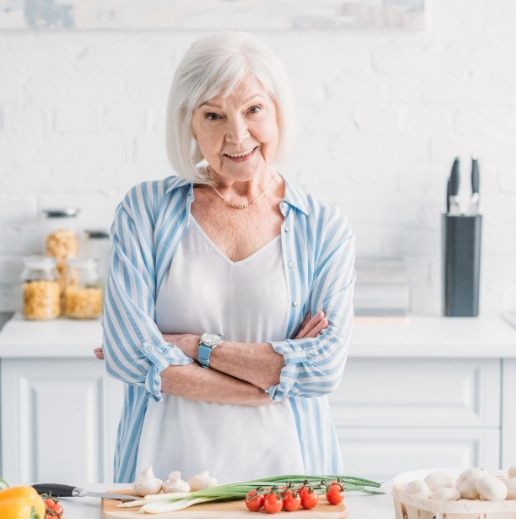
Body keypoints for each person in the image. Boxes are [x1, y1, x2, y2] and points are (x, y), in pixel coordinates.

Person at [96, 31, 355, 485]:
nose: (237, 135)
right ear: (190, 125)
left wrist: (193, 346)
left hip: (288, 485)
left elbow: (321, 369)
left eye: (254, 109)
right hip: (161, 480)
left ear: (278, 113)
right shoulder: (145, 212)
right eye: (213, 115)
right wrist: (263, 384)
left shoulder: (323, 228)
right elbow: (128, 355)